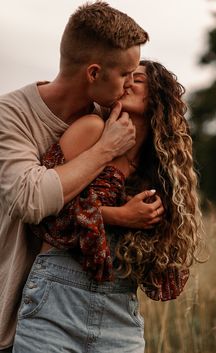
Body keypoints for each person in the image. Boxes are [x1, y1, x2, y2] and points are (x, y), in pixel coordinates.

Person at [0, 3, 166, 352]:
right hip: (10, 312)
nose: (127, 86)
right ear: (93, 73)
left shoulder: (110, 118)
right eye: (125, 74)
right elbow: (32, 200)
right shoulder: (11, 116)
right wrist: (105, 149)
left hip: (86, 307)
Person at [12, 60, 202, 353]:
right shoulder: (91, 129)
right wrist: (122, 216)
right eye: (125, 75)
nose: (126, 82)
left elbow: (164, 269)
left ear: (157, 97)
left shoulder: (162, 170)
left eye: (136, 79)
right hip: (55, 300)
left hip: (119, 313)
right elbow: (45, 209)